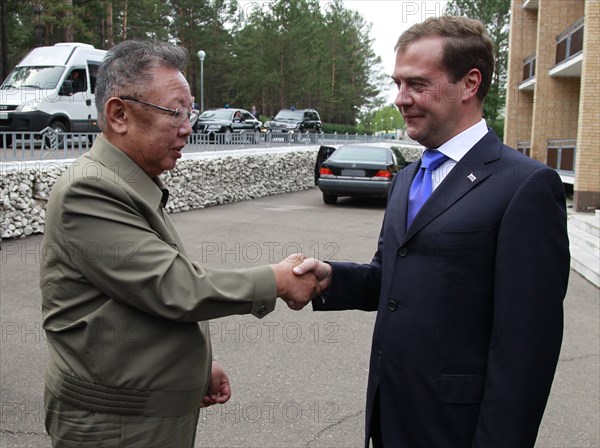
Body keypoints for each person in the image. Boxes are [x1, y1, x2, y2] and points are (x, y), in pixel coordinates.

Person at [293, 15, 570, 448]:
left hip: (457, 430)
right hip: (390, 417)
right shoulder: (406, 179)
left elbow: (526, 348)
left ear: (470, 83)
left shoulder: (526, 186)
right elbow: (392, 276)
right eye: (397, 83)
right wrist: (332, 277)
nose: (401, 99)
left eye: (417, 84)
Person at [40, 40, 319, 447]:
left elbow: (136, 301)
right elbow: (175, 288)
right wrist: (277, 280)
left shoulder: (127, 182)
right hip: (116, 424)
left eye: (190, 113)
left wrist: (198, 365)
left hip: (139, 413)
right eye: (175, 112)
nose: (187, 127)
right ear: (119, 114)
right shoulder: (91, 191)